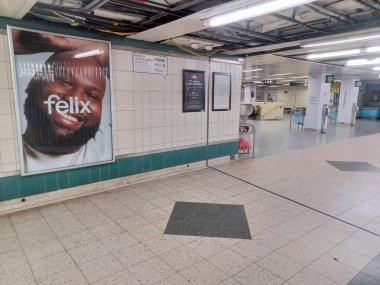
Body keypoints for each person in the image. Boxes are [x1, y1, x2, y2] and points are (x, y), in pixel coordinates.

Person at [11, 29, 112, 173]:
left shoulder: (107, 142)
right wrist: (44, 40)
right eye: (64, 81)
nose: (75, 100)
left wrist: (90, 45)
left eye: (92, 95)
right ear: (33, 83)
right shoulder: (9, 151)